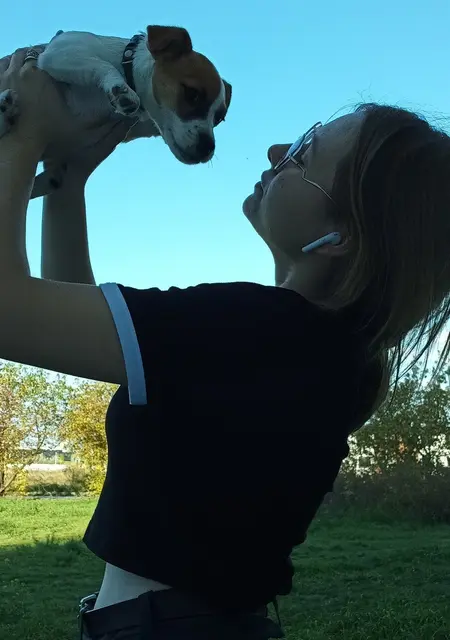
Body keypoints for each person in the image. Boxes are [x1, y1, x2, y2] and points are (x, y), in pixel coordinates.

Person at [1, 45, 450, 640]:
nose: (275, 152)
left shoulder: (260, 329)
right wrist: (68, 176)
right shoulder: (327, 354)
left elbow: (9, 313)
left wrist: (23, 131)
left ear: (341, 236)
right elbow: (56, 317)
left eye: (304, 153)